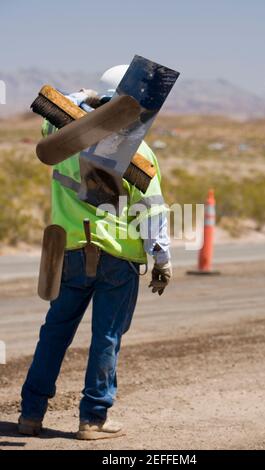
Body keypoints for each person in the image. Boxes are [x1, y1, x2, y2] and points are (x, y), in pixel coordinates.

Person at [18, 65, 172, 440]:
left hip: (69, 250)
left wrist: (82, 97)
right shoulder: (138, 148)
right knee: (106, 337)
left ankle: (30, 415)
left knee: (54, 333)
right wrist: (162, 258)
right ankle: (93, 420)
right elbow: (151, 208)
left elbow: (49, 115)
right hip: (117, 256)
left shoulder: (63, 133)